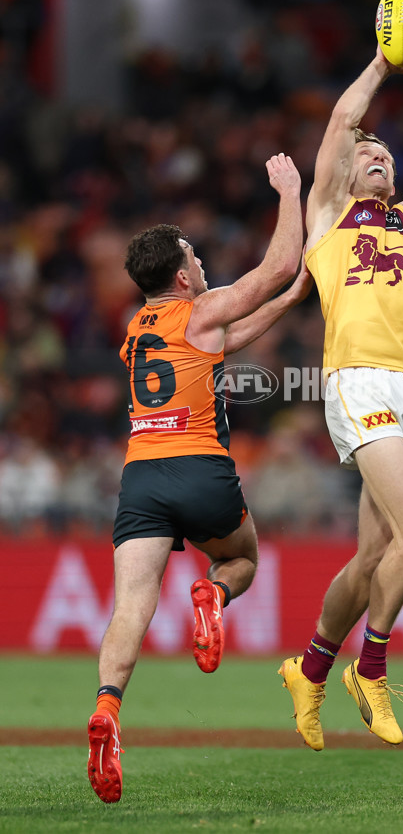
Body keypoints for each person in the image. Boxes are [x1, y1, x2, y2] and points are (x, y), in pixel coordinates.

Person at [87, 153, 305, 803]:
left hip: (141, 477)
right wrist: (290, 192)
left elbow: (228, 336)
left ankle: (106, 709)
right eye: (196, 256)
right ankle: (214, 597)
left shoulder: (137, 329)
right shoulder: (200, 309)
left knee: (131, 605)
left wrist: (287, 303)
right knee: (241, 559)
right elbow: (280, 265)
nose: (203, 264)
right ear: (184, 274)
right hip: (199, 467)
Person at [278, 1, 403, 749]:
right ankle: (372, 667)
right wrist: (389, 61)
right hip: (356, 380)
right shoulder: (328, 217)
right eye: (369, 152)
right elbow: (341, 120)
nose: (379, 154)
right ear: (346, 171)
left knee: (373, 557)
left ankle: (311, 669)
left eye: (387, 151)